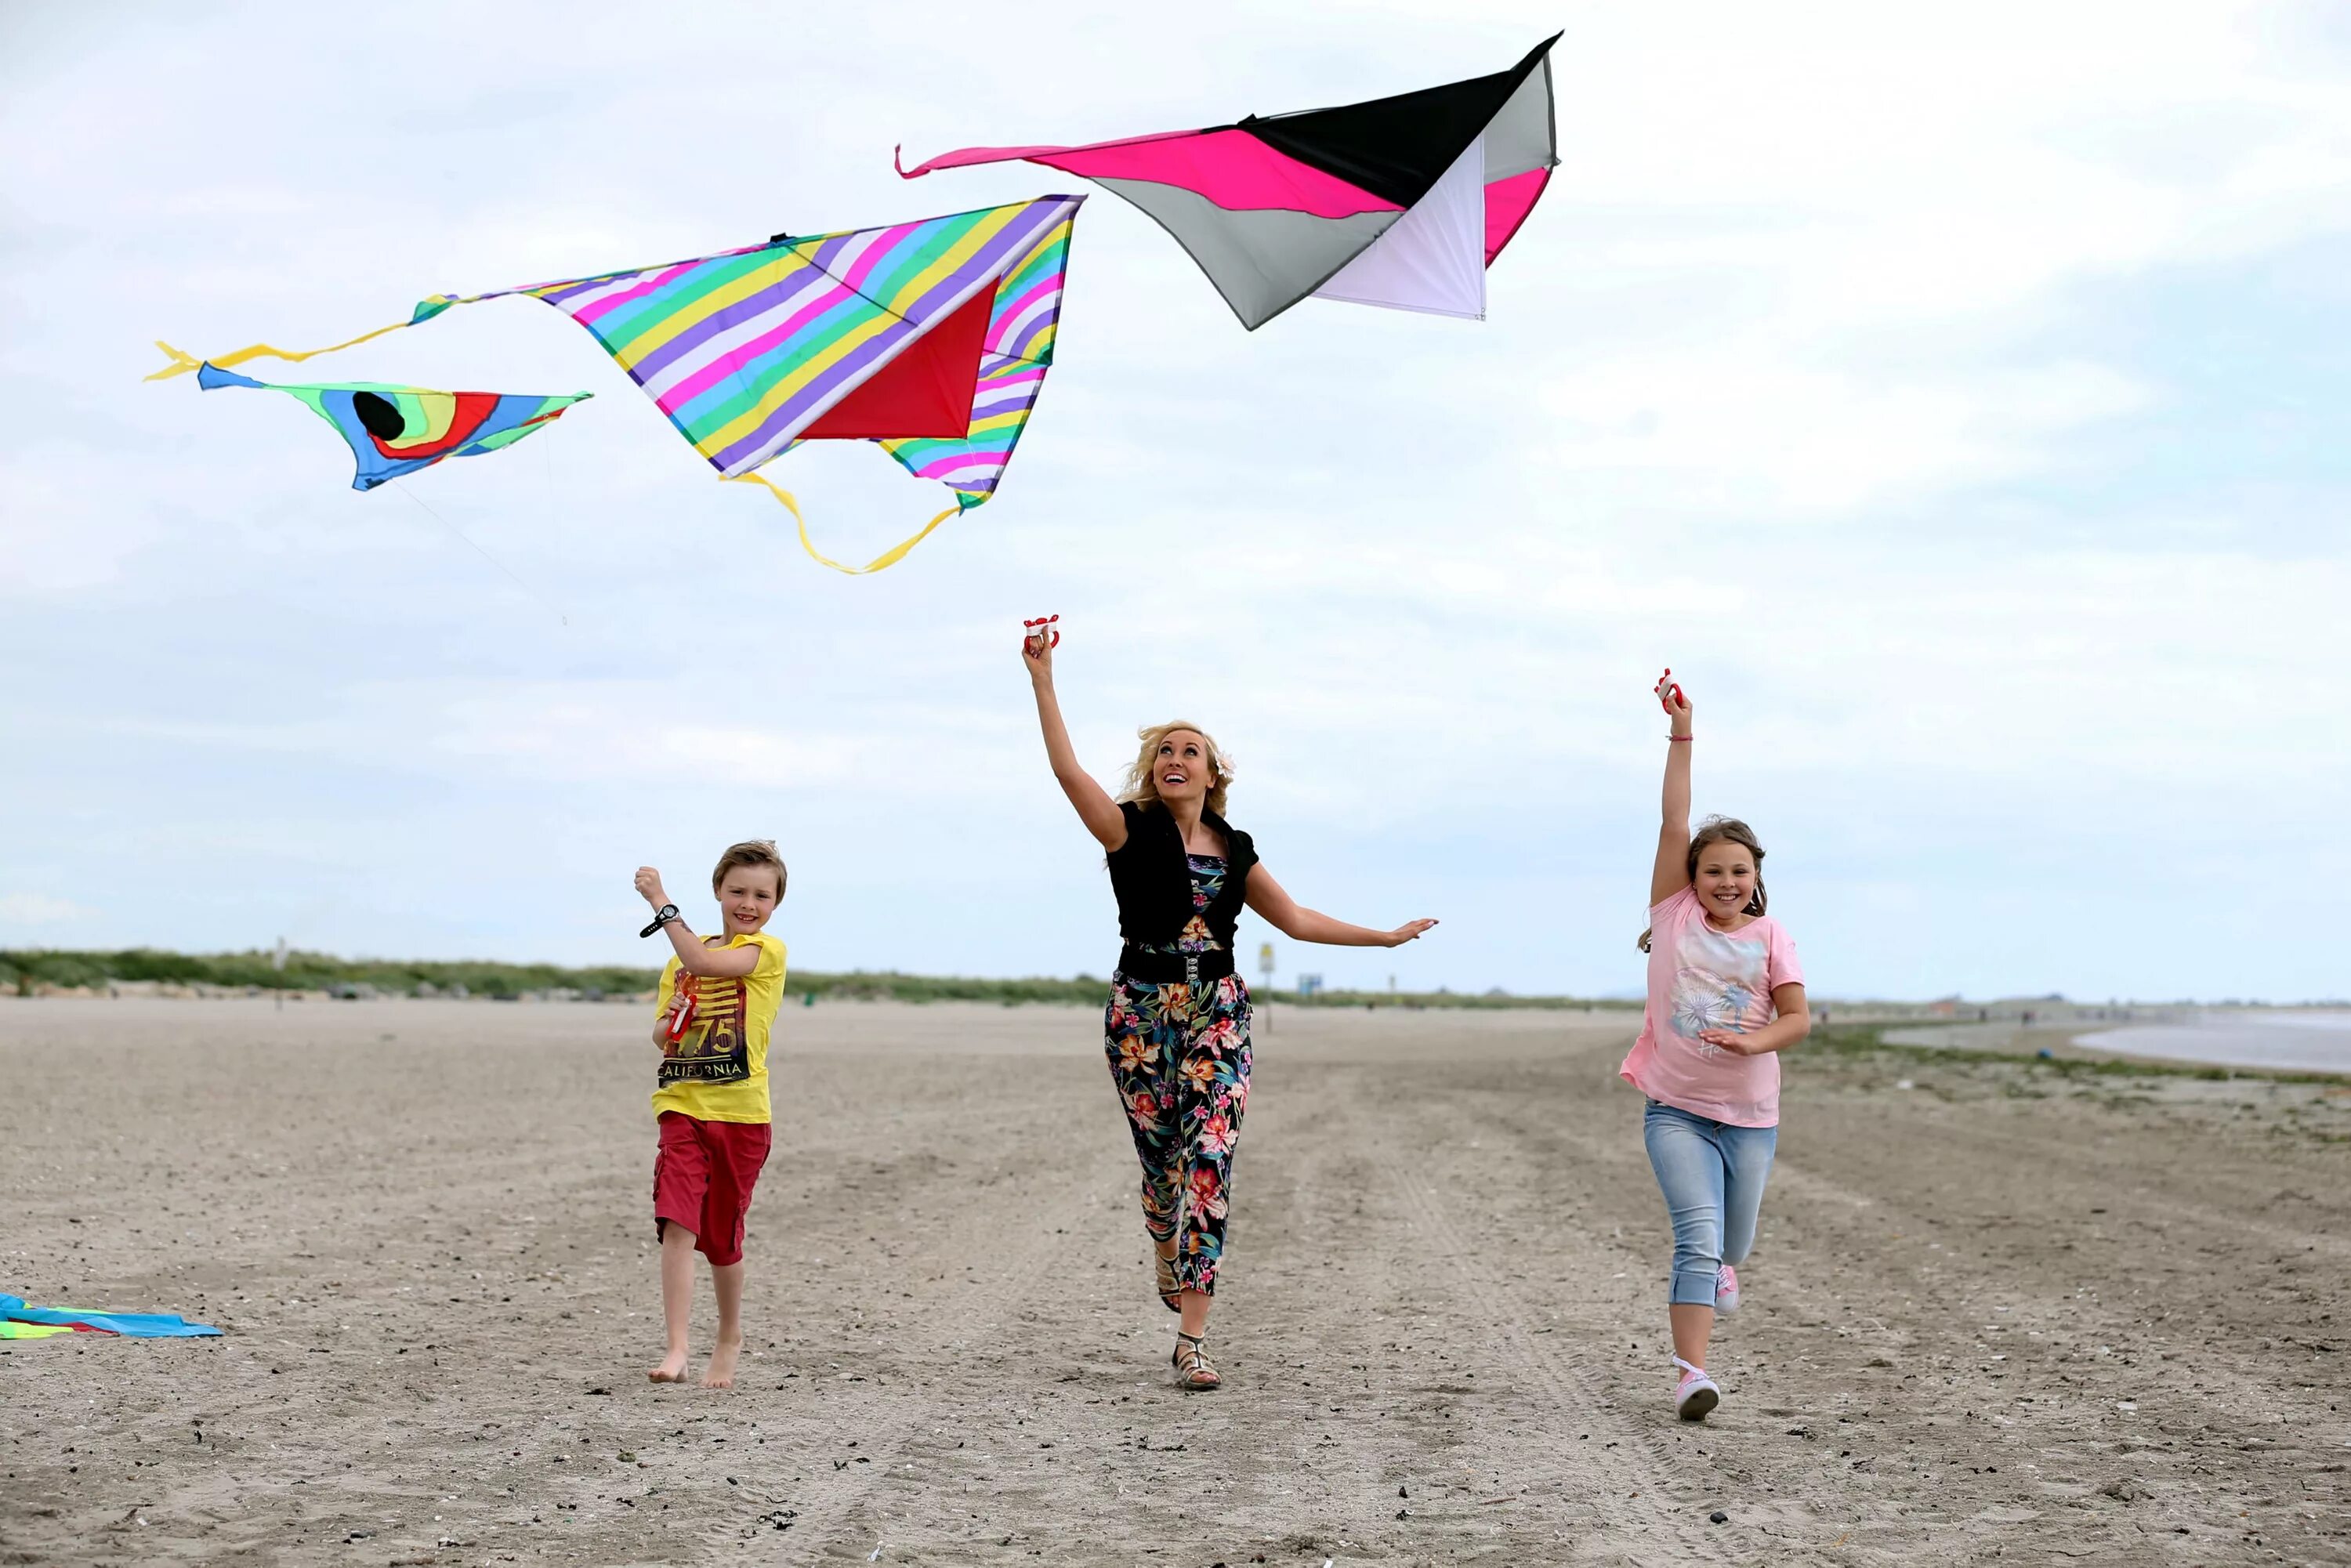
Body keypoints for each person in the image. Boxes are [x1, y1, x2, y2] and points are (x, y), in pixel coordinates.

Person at [1023, 628, 1436, 1390]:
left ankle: (1192, 1340)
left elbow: (1298, 919)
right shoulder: (1128, 829)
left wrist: (1382, 940)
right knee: (1164, 1175)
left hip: (1219, 1010)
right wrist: (1044, 679)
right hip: (1142, 1016)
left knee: (1209, 1160)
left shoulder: (1235, 846)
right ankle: (1161, 1237)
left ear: (1213, 773)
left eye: (1191, 751)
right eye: (1165, 751)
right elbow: (1065, 770)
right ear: (1153, 770)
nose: (1176, 759)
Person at [1620, 675, 1809, 1421]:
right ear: (1691, 879)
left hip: (1753, 1114)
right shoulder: (1673, 916)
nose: (1726, 880)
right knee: (1696, 1236)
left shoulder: (1772, 936)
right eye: (1712, 870)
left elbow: (1796, 1019)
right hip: (1677, 1110)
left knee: (1734, 1240)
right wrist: (1682, 731)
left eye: (1739, 870)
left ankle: (1727, 1269)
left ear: (1756, 878)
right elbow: (1674, 820)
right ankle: (1690, 1374)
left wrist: (1752, 1039)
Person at [631, 842, 790, 1389]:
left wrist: (660, 900)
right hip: (682, 1104)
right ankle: (676, 1346)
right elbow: (660, 1038)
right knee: (677, 1220)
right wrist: (672, 1017)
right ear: (719, 890)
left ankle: (729, 1336)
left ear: (774, 904)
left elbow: (704, 962)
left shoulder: (765, 952)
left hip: (742, 1114)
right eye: (738, 891)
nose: (748, 903)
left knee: (722, 1238)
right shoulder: (679, 960)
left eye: (761, 895)